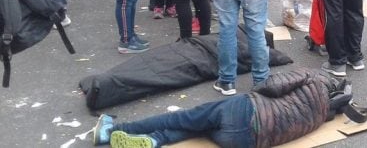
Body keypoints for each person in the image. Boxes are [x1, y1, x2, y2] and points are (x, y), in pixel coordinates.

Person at [91, 69, 352, 148]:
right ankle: (154, 140)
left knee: (186, 117)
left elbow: (270, 87)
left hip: (246, 111)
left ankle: (114, 130)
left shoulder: (313, 79)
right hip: (244, 141)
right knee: (196, 128)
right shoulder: (321, 117)